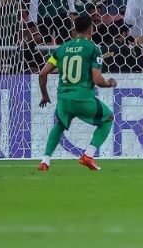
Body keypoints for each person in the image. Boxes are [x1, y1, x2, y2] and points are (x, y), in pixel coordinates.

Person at [36, 15, 118, 172]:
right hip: (83, 99)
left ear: (74, 30)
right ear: (90, 30)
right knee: (108, 118)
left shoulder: (61, 49)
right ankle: (88, 155)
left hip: (64, 99)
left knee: (59, 124)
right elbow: (97, 79)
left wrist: (45, 95)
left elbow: (42, 74)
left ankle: (45, 161)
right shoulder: (93, 49)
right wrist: (109, 83)